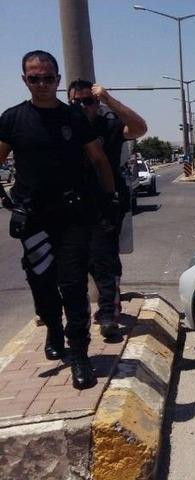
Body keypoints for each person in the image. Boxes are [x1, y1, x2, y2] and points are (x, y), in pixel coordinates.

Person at [0, 50, 118, 390]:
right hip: (33, 218)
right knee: (40, 280)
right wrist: (9, 201)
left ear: (58, 79)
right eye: (34, 78)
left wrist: (109, 201)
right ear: (25, 80)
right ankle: (52, 327)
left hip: (72, 217)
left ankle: (80, 353)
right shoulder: (12, 119)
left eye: (48, 77)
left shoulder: (75, 118)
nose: (42, 83)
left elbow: (99, 161)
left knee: (73, 285)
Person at [68, 79, 147, 338]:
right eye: (76, 101)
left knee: (104, 259)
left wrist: (109, 100)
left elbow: (139, 128)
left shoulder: (109, 125)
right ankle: (88, 311)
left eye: (88, 100)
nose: (82, 106)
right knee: (81, 262)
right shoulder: (64, 127)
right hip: (72, 205)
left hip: (106, 202)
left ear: (96, 103)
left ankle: (107, 313)